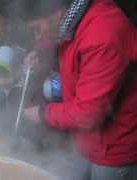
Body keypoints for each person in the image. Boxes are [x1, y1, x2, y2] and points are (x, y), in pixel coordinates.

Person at [22, 0, 137, 179]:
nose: (37, 37)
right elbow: (73, 51)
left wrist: (42, 113)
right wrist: (44, 56)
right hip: (85, 140)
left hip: (114, 148)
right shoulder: (73, 19)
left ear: (56, 13)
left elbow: (89, 113)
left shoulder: (102, 34)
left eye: (37, 29)